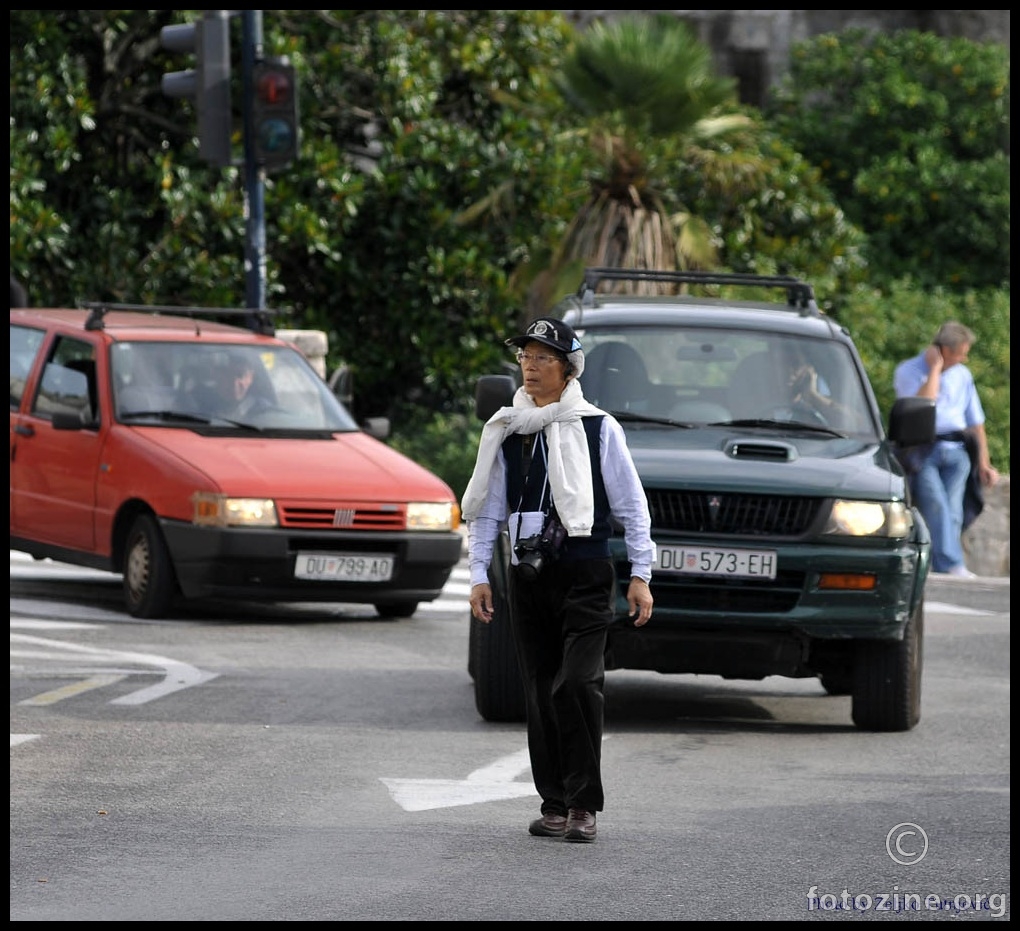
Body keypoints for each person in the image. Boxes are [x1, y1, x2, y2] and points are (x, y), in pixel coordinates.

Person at [462, 317, 655, 844]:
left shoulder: (598, 427)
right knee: (540, 689)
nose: (530, 366)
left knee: (577, 681)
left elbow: (632, 506)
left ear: (568, 369)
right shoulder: (506, 431)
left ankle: (584, 804)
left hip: (586, 571)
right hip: (528, 576)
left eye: (543, 358)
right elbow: (487, 511)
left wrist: (641, 573)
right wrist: (480, 574)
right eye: (525, 357)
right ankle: (554, 803)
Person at [893, 321, 999, 578]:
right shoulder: (910, 370)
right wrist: (935, 369)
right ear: (944, 350)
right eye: (960, 352)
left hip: (957, 449)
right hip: (924, 450)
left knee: (953, 508)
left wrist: (984, 463)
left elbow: (976, 422)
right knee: (936, 505)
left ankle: (946, 563)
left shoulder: (963, 375)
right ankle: (951, 563)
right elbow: (921, 404)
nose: (964, 357)